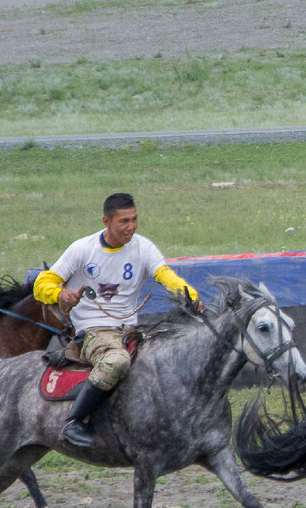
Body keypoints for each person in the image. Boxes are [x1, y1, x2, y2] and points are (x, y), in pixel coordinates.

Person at [33, 192, 201, 449]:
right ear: (106, 221)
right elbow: (42, 283)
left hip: (130, 329)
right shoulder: (82, 249)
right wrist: (60, 294)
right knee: (116, 362)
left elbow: (165, 275)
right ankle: (74, 422)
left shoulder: (144, 247)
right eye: (124, 221)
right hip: (92, 331)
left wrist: (190, 296)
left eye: (134, 219)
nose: (131, 226)